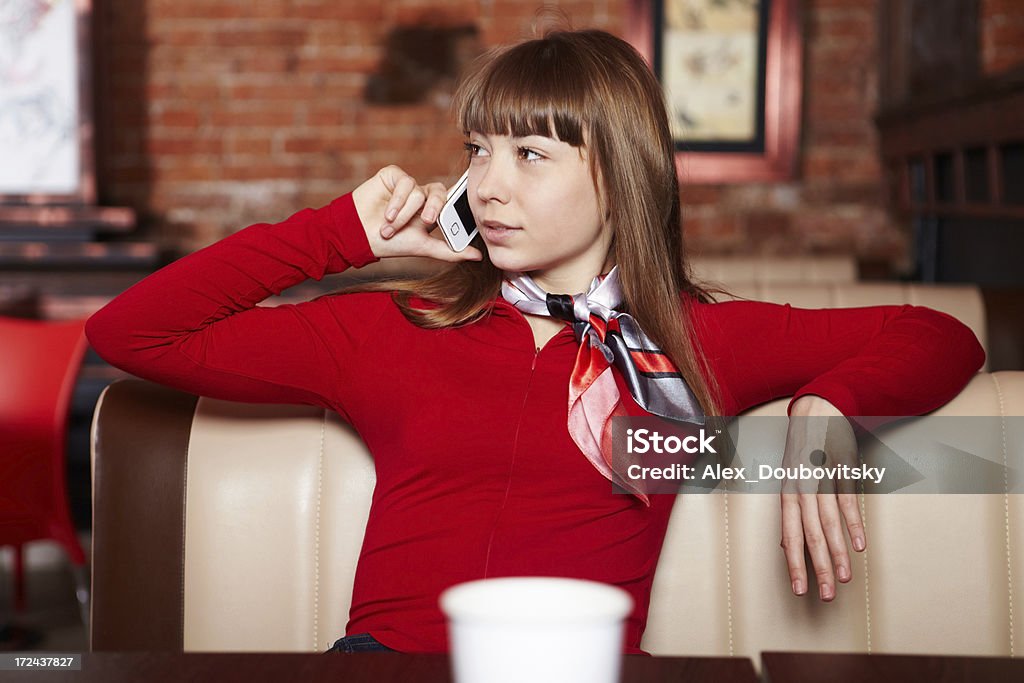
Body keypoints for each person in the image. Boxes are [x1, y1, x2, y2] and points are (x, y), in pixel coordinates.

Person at [85, 28, 985, 655]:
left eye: (529, 155)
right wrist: (341, 233)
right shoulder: (397, 326)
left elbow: (937, 334)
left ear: (616, 175)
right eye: (478, 151)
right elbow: (129, 331)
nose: (486, 186)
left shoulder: (697, 338)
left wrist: (828, 410)